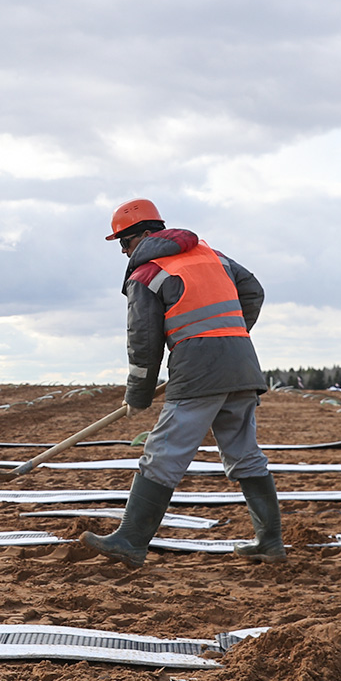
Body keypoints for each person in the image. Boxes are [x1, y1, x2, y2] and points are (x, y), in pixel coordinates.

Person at [81, 198, 284, 567]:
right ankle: (269, 542)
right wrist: (230, 336)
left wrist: (138, 395)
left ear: (142, 236)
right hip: (242, 365)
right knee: (243, 453)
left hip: (199, 372)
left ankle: (130, 539)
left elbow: (143, 342)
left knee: (163, 454)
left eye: (124, 244)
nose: (124, 252)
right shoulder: (212, 255)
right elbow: (253, 292)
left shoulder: (146, 273)